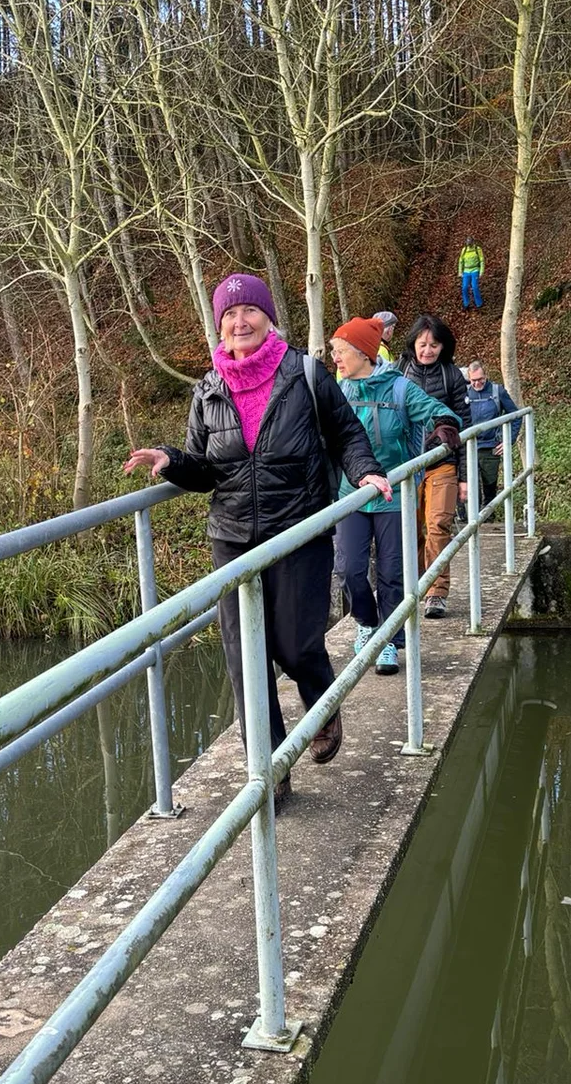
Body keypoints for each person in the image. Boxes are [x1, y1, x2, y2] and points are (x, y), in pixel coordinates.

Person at [124, 273, 388, 798]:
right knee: (245, 659)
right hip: (232, 537)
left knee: (295, 644)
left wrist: (364, 471)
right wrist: (171, 460)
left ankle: (322, 702)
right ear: (219, 326)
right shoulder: (208, 389)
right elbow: (204, 468)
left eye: (249, 311)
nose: (239, 322)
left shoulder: (304, 373)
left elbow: (346, 433)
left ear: (269, 318)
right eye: (229, 314)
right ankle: (269, 774)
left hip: (298, 529)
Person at [328, 316, 462, 677]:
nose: (335, 358)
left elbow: (439, 410)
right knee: (348, 569)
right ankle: (367, 623)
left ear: (363, 353)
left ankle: (388, 639)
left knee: (392, 571)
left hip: (395, 492)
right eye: (334, 352)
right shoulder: (338, 391)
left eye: (340, 351)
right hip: (352, 493)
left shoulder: (399, 388)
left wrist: (444, 424)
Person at [396, 314, 470, 619]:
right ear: (413, 343)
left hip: (443, 462)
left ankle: (437, 592)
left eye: (434, 345)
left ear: (443, 346)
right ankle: (415, 585)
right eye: (422, 344)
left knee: (438, 526)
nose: (427, 350)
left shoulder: (452, 376)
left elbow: (465, 427)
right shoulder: (399, 373)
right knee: (410, 529)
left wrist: (465, 476)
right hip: (408, 464)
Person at [463, 361, 522, 507]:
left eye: (480, 379)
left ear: (486, 376)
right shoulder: (464, 393)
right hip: (469, 447)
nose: (477, 383)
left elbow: (515, 416)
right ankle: (474, 516)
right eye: (473, 380)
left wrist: (509, 440)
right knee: (472, 486)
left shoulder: (497, 391)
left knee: (490, 485)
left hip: (491, 447)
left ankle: (489, 514)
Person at [458, 240, 484, 310]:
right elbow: (461, 261)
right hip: (466, 271)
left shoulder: (477, 249)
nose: (469, 244)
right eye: (468, 243)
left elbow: (481, 260)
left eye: (470, 243)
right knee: (464, 287)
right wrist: (460, 271)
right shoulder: (464, 250)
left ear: (472, 242)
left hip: (475, 270)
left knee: (475, 287)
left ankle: (479, 303)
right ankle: (466, 303)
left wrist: (481, 271)